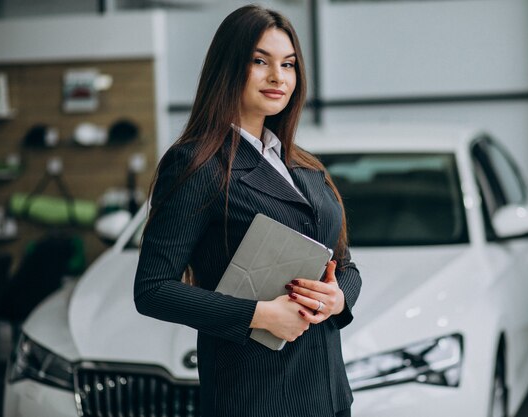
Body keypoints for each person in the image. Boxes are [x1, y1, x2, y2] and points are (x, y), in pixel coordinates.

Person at [134, 5, 362, 417]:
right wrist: (260, 315)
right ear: (228, 66)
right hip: (255, 399)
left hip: (328, 396)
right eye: (260, 61)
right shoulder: (198, 164)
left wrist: (337, 298)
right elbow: (152, 289)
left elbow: (344, 265)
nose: (278, 77)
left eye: (288, 64)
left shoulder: (305, 167)